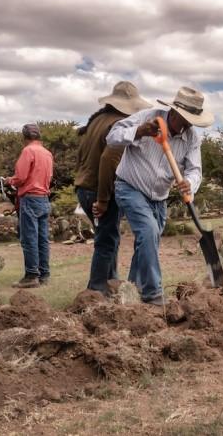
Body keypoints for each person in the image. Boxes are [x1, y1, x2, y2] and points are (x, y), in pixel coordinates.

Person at [106, 86, 213, 305]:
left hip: (159, 198)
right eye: (183, 119)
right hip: (130, 187)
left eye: (190, 120)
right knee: (149, 231)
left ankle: (132, 292)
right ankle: (153, 293)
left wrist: (189, 184)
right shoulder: (147, 117)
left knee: (147, 242)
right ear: (173, 112)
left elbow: (195, 170)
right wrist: (139, 131)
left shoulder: (191, 138)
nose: (186, 125)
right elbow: (112, 137)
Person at [74, 81, 152, 295]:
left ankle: (110, 282)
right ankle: (97, 287)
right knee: (107, 240)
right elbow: (109, 161)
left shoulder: (96, 120)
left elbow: (82, 158)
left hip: (84, 187)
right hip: (100, 189)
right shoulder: (118, 124)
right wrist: (103, 199)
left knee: (108, 236)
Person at [7, 123, 54, 288]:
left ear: (24, 137)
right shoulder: (47, 153)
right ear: (38, 136)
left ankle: (32, 275)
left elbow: (20, 177)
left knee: (29, 239)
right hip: (44, 198)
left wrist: (10, 180)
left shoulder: (28, 151)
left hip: (30, 198)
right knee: (42, 239)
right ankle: (44, 274)